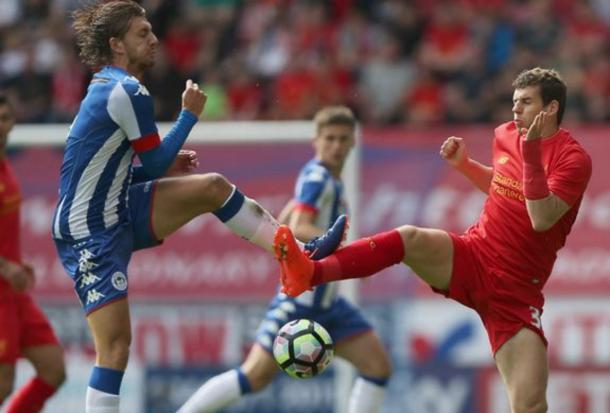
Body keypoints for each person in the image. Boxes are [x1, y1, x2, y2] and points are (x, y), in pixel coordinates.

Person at [52, 2, 346, 413]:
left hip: (116, 207)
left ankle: (297, 254)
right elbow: (149, 165)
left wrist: (163, 163)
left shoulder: (109, 87)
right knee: (115, 347)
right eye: (142, 33)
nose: (154, 39)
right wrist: (189, 116)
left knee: (211, 187)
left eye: (152, 30)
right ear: (116, 45)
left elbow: (120, 170)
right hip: (90, 231)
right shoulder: (125, 90)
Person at [275, 68, 592, 413]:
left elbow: (540, 216)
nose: (515, 110)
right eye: (514, 102)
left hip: (516, 291)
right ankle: (309, 272)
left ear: (550, 108)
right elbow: (506, 187)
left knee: (530, 406)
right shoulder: (505, 135)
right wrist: (466, 165)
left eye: (526, 102)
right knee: (409, 238)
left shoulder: (573, 159)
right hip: (475, 254)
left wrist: (531, 154)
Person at [176, 106, 392, 413]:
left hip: (329, 303)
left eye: (343, 139)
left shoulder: (328, 179)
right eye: (329, 138)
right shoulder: (319, 177)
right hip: (301, 304)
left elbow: (290, 218)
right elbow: (302, 226)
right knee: (254, 377)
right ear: (315, 140)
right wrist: (352, 253)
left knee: (378, 366)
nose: (336, 145)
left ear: (352, 142)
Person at [0, 94, 66, 413]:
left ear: (13, 122)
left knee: (53, 371)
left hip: (15, 292)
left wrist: (16, 261)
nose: (1, 126)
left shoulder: (5, 166)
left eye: (4, 118)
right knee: (1, 385)